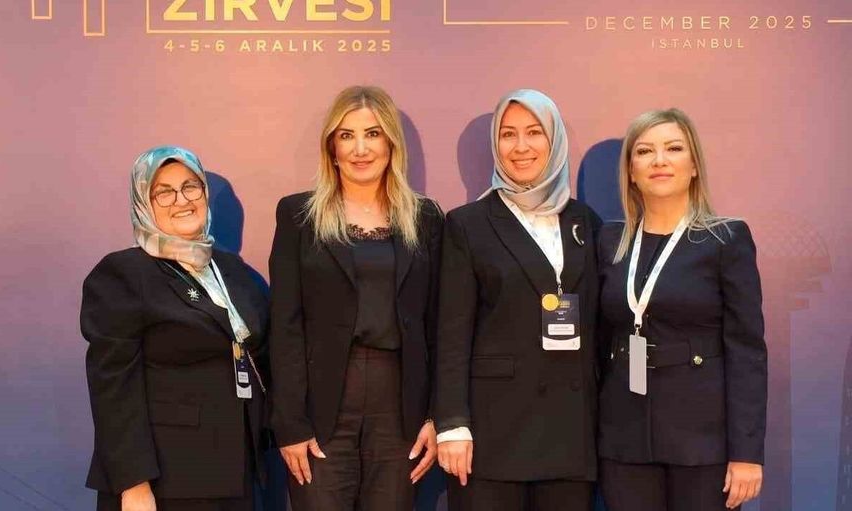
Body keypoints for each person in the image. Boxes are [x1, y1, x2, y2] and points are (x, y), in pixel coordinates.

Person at [268, 85, 443, 511]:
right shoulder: (298, 216)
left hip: (400, 406)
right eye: (346, 136)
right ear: (331, 147)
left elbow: (438, 323)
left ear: (391, 143)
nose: (360, 149)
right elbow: (285, 325)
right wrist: (290, 423)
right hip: (320, 406)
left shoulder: (426, 218)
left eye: (373, 134)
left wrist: (437, 416)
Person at [435, 89, 600, 511]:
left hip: (571, 434)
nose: (521, 146)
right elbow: (451, 334)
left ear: (554, 140)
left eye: (534, 132)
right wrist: (452, 424)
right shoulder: (467, 225)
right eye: (508, 134)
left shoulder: (585, 222)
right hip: (492, 435)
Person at [81, 146, 269, 511]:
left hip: (238, 471)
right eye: (164, 192)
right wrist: (133, 483)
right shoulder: (124, 273)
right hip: (166, 480)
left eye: (191, 186)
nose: (181, 200)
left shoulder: (233, 271)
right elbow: (113, 389)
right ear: (143, 203)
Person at [596, 108, 767, 511]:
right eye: (644, 151)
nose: (659, 160)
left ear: (693, 166)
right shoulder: (608, 241)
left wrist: (747, 453)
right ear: (631, 171)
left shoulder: (726, 239)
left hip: (704, 443)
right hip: (624, 439)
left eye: (673, 148)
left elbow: (747, 353)